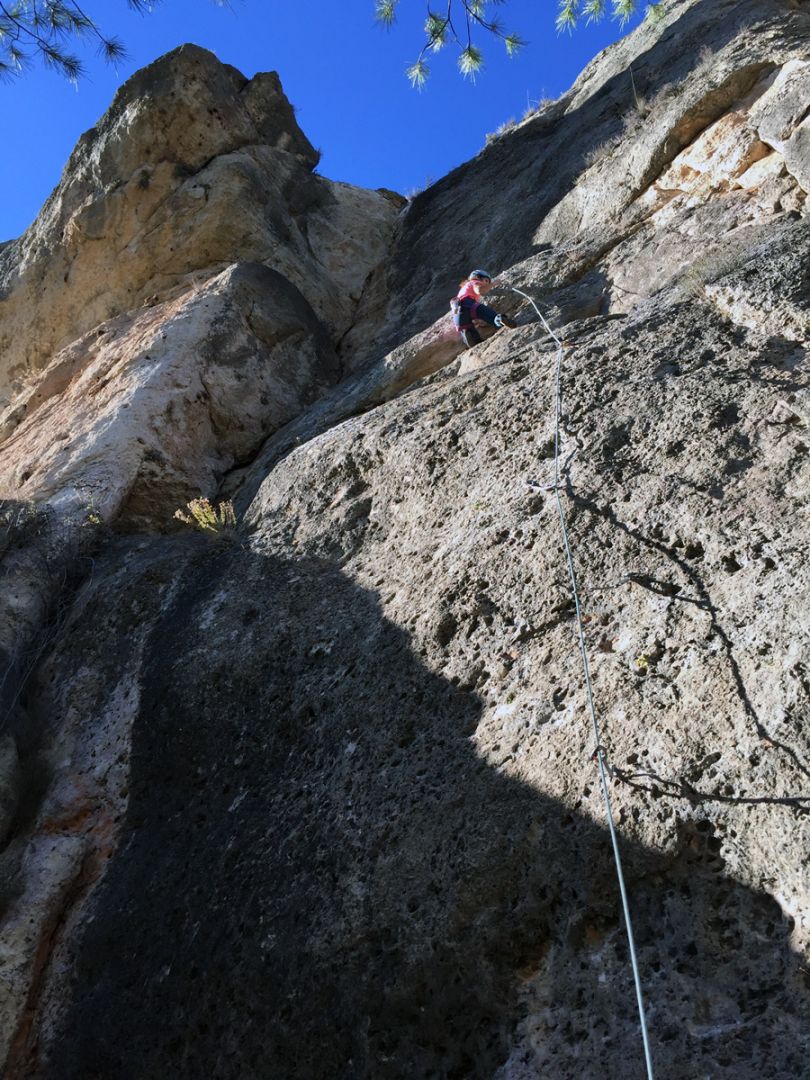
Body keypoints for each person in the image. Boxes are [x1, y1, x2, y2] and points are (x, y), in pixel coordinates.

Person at [451, 269, 513, 348]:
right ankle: (500, 320)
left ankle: (471, 338)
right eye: (486, 281)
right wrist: (493, 284)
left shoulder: (463, 290)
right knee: (491, 316)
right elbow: (480, 290)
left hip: (457, 313)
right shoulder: (474, 282)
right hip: (469, 304)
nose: (487, 284)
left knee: (466, 328)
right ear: (477, 277)